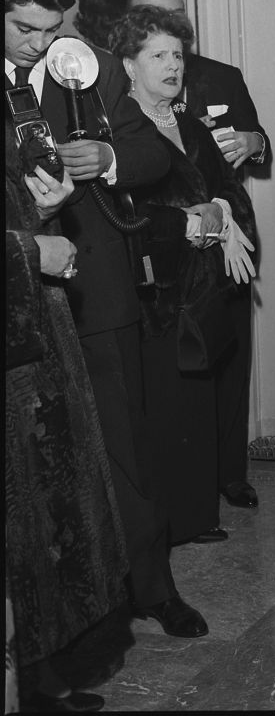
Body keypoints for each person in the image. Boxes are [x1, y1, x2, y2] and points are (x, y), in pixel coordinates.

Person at [4, 0, 209, 640]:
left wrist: (111, 157)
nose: (40, 43)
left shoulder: (82, 71)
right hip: (18, 295)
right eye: (23, 28)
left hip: (98, 294)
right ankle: (68, 625)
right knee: (39, 470)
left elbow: (161, 151)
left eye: (52, 27)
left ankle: (152, 587)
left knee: (126, 448)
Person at [109, 5, 257, 546]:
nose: (172, 66)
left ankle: (196, 518)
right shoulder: (118, 132)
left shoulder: (191, 124)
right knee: (161, 410)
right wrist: (186, 223)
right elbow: (118, 217)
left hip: (201, 287)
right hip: (151, 291)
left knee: (197, 400)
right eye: (158, 56)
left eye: (178, 55)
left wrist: (218, 209)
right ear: (128, 64)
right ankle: (163, 526)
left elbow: (229, 189)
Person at [6, 97, 127, 711]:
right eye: (24, 27)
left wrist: (43, 212)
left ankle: (36, 674)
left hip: (30, 329)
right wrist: (31, 252)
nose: (37, 44)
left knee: (36, 513)